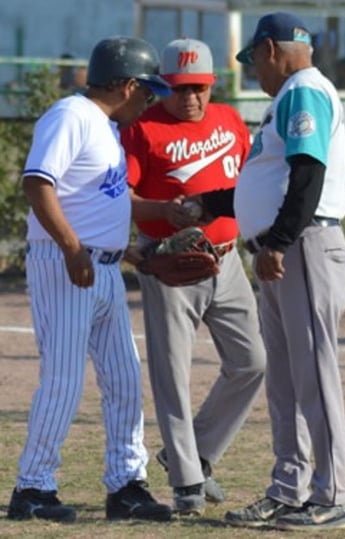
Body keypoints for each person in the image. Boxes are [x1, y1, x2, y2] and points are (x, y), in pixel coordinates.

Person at [192, 12, 345, 531]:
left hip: (302, 247)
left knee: (313, 375)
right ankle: (290, 489)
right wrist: (203, 205)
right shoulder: (293, 96)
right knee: (286, 381)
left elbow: (308, 174)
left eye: (253, 62)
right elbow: (265, 179)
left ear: (268, 50)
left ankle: (333, 496)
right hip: (286, 249)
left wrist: (280, 240)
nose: (255, 75)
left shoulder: (303, 89)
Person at [6, 36, 173, 524]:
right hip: (66, 265)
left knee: (124, 377)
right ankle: (33, 487)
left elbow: (104, 198)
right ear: (125, 86)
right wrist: (73, 249)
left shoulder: (104, 126)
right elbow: (38, 182)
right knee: (62, 379)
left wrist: (146, 233)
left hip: (103, 267)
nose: (151, 100)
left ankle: (126, 485)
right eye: (147, 91)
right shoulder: (71, 116)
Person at [120, 37, 266, 516]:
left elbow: (249, 183)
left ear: (211, 85)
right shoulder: (143, 127)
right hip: (170, 263)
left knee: (252, 362)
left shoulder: (229, 120)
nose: (190, 98)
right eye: (180, 89)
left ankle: (197, 453)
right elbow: (122, 196)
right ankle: (186, 482)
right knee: (173, 374)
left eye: (199, 88)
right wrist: (161, 210)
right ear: (164, 85)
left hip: (227, 260)